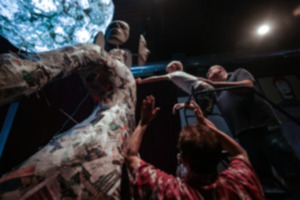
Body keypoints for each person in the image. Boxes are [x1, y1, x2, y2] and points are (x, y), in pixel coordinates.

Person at [124, 95, 265, 199]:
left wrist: (143, 122)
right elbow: (239, 153)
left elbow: (130, 157)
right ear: (219, 154)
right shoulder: (239, 182)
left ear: (183, 158)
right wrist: (205, 123)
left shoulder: (172, 191)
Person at [201, 65, 300, 199]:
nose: (207, 74)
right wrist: (188, 105)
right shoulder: (215, 91)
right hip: (243, 134)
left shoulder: (237, 74)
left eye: (210, 70)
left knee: (288, 169)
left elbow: (248, 86)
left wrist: (215, 84)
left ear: (220, 69)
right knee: (260, 175)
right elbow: (206, 110)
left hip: (264, 127)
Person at [136, 61, 215, 116]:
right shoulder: (182, 77)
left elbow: (159, 77)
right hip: (202, 91)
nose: (169, 74)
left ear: (173, 67)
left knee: (202, 114)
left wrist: (142, 81)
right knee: (201, 112)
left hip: (203, 90)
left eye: (169, 71)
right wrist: (185, 104)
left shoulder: (176, 73)